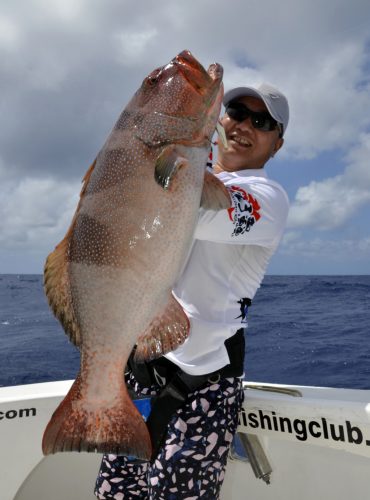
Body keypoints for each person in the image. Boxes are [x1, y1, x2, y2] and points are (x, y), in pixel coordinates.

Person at [94, 83, 290, 499]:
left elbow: (194, 208)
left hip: (201, 390)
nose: (243, 125)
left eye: (262, 122)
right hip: (140, 375)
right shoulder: (177, 170)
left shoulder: (268, 199)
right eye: (236, 111)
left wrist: (164, 146)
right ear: (220, 118)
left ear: (277, 143)